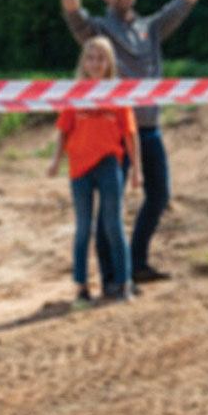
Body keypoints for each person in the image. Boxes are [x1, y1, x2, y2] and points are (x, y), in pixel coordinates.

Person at [60, 0, 208, 285]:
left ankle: (137, 262)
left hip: (149, 129)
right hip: (115, 133)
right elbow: (73, 11)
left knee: (158, 195)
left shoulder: (152, 28)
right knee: (110, 210)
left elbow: (183, 3)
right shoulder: (99, 31)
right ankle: (112, 276)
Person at [47, 36, 141, 305]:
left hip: (110, 164)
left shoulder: (118, 94)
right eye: (90, 58)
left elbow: (130, 134)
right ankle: (81, 287)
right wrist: (56, 161)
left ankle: (124, 283)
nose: (95, 63)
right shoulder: (75, 93)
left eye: (101, 58)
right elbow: (64, 130)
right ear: (83, 62)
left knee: (113, 224)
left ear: (109, 62)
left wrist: (137, 170)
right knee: (83, 228)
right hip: (79, 169)